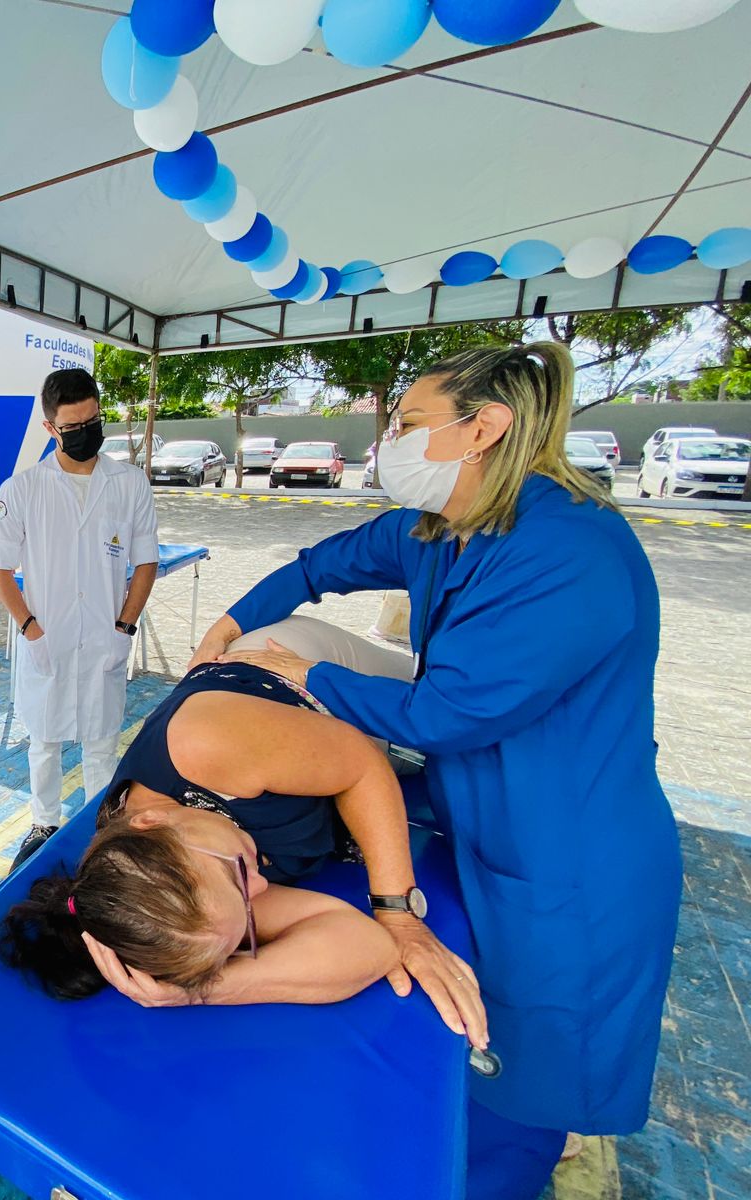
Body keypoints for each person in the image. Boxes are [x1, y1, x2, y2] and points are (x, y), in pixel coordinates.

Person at [180, 341, 678, 1200]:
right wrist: (228, 628)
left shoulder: (569, 552)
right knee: (482, 1045)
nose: (392, 442)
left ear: (484, 428)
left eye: (410, 423)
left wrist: (310, 677)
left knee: (534, 1068)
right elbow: (319, 566)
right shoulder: (440, 529)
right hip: (486, 817)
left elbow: (446, 711)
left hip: (571, 852)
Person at [0, 654, 485, 1044]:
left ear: (151, 821)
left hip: (310, 672)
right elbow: (369, 948)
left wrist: (398, 912)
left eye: (236, 875)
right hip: (331, 760)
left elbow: (361, 768)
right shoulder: (185, 903)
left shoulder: (204, 745)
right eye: (246, 916)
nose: (259, 889)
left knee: (458, 702)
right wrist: (201, 991)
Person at [0, 368, 158, 867]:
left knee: (102, 744)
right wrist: (30, 629)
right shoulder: (22, 489)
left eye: (93, 420)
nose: (86, 432)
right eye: (73, 426)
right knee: (44, 742)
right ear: (50, 428)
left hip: (106, 636)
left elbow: (145, 561)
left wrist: (124, 626)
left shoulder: (129, 483)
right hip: (47, 638)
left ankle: (99, 831)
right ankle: (43, 824)